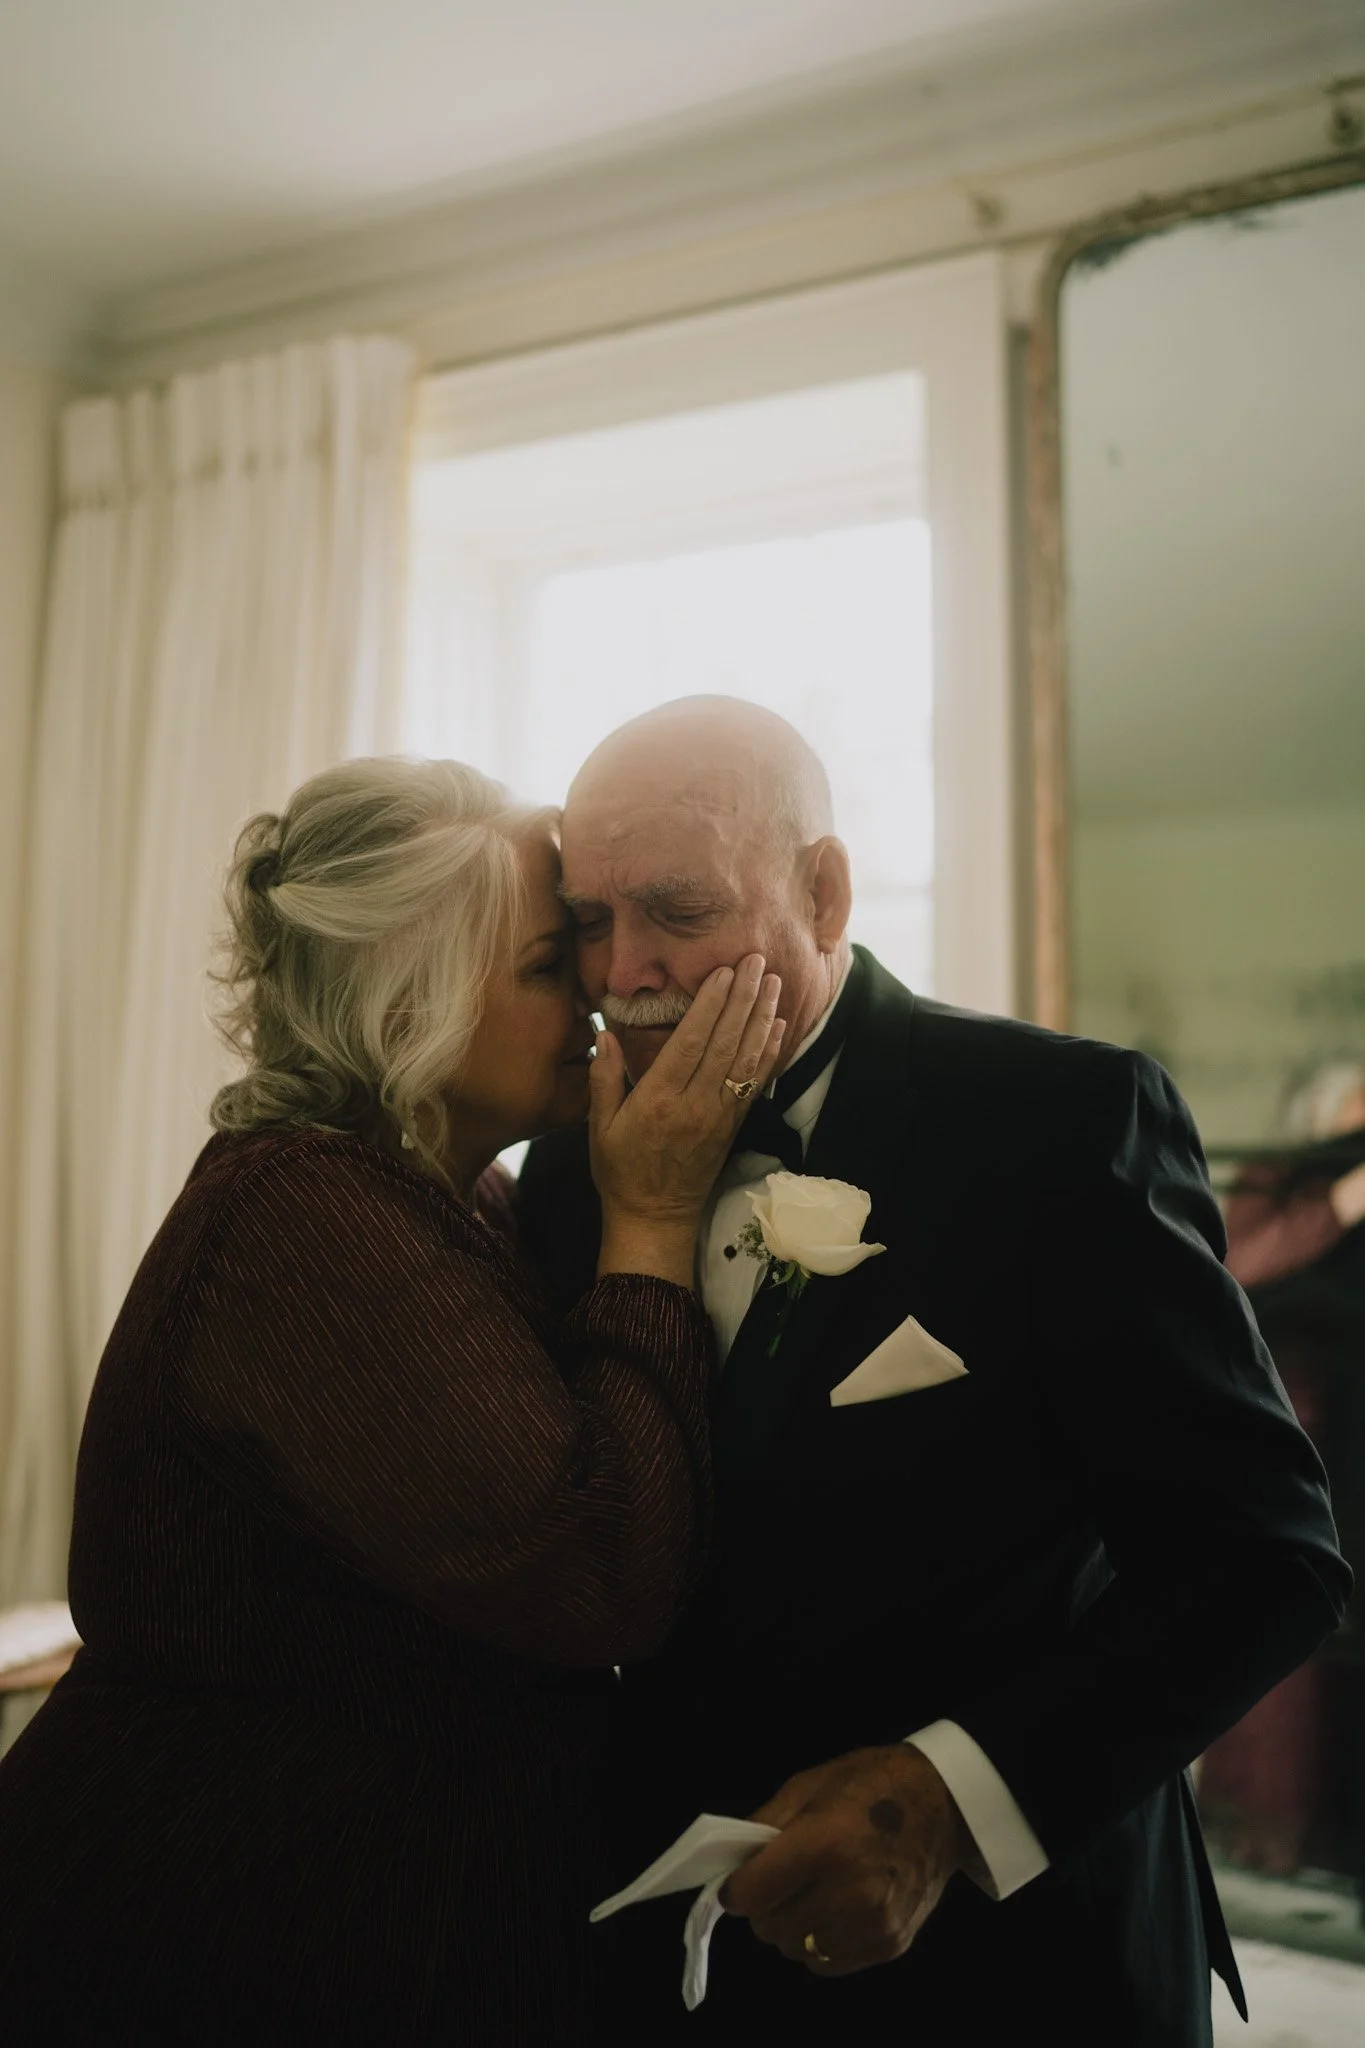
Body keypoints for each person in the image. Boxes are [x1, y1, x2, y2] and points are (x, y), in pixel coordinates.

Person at [516, 696, 1351, 2047]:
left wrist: (943, 1802)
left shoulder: (1058, 1125)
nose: (622, 973)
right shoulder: (568, 1171)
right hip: (691, 1971)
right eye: (589, 921)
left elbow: (1266, 1560)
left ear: (823, 888)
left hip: (1024, 1967)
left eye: (675, 909)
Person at [0, 755, 784, 2043]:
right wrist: (652, 1214)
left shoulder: (442, 1190)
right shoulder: (300, 1221)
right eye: (549, 963)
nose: (595, 990)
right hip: (233, 1911)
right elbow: (600, 1574)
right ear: (401, 1005)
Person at [1199, 1058, 1365, 1887]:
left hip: (1348, 1435)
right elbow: (1243, 1263)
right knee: (1287, 1643)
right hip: (1289, 1428)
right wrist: (1340, 1199)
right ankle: (1269, 1830)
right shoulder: (1275, 1177)